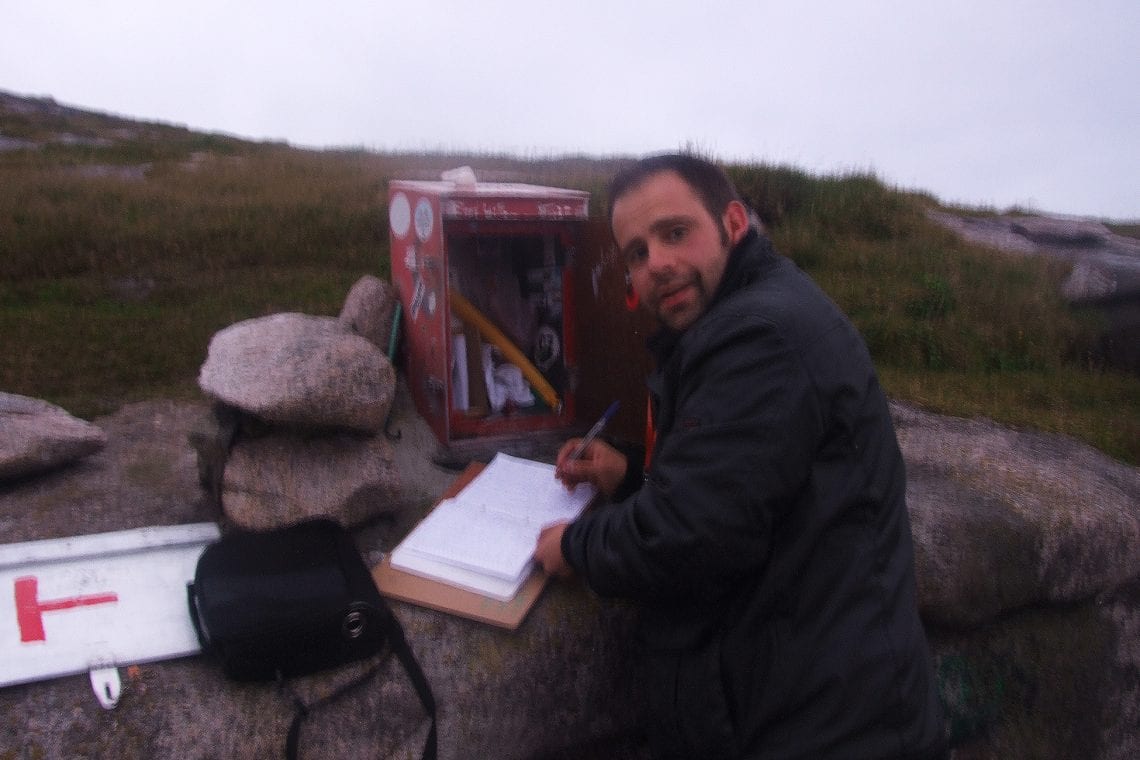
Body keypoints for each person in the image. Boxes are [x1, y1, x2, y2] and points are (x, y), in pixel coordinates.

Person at [534, 154, 946, 759]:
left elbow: (689, 536)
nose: (658, 266)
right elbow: (743, 485)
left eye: (675, 233)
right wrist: (630, 478)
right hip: (811, 702)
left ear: (730, 221)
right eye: (637, 254)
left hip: (824, 729)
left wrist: (573, 546)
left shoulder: (760, 335)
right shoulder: (749, 310)